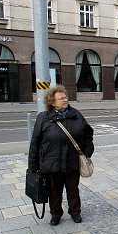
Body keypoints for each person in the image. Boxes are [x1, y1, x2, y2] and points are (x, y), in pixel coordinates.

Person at [28, 85, 94, 226]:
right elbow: (35, 143)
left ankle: (75, 212)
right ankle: (56, 214)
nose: (65, 100)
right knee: (54, 192)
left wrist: (87, 152)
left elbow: (88, 133)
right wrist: (33, 166)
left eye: (65, 97)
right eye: (61, 98)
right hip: (52, 163)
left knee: (73, 189)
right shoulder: (43, 118)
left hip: (72, 161)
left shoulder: (76, 114)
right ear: (52, 102)